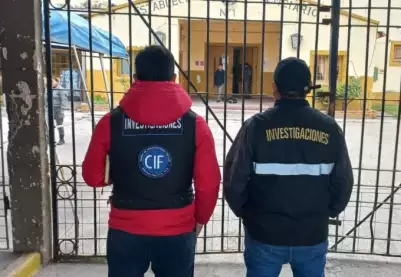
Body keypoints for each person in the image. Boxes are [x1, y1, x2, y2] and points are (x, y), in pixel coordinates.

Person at [82, 46, 221, 277]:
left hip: (125, 228)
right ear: (174, 79)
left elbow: (92, 177)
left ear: (135, 78)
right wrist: (200, 219)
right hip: (178, 228)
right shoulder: (195, 125)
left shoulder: (111, 123)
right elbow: (209, 184)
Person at [223, 57, 354, 277]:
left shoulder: (256, 127)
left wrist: (250, 215)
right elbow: (343, 182)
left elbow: (233, 179)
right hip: (311, 235)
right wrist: (324, 214)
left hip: (265, 235)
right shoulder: (330, 129)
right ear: (308, 89)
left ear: (275, 88)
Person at [51, 77, 68, 145]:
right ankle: (52, 139)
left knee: (59, 125)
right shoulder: (49, 89)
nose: (51, 83)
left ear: (57, 82)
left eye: (53, 81)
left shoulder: (61, 90)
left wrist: (62, 111)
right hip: (51, 109)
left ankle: (61, 139)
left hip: (58, 109)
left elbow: (64, 100)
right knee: (49, 125)